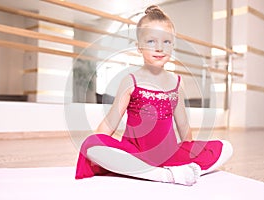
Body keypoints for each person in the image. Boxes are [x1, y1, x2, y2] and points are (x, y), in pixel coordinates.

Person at [75, 5, 233, 186]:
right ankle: (164, 175)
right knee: (91, 144)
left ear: (173, 45)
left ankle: (169, 170)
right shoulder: (130, 81)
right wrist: (99, 146)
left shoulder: (176, 83)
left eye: (166, 42)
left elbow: (183, 126)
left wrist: (188, 153)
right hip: (133, 152)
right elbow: (110, 122)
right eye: (151, 41)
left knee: (226, 148)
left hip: (169, 152)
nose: (159, 48)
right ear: (139, 47)